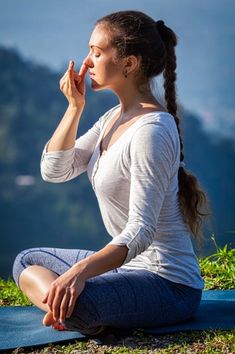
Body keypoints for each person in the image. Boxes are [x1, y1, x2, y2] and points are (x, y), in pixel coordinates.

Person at [12, 10, 209, 336]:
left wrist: (79, 273)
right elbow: (55, 171)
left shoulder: (152, 131)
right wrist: (74, 109)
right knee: (27, 261)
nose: (87, 62)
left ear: (129, 64)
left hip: (168, 285)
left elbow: (140, 232)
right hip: (129, 270)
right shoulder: (112, 120)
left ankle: (76, 312)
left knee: (80, 299)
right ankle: (71, 311)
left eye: (97, 52)